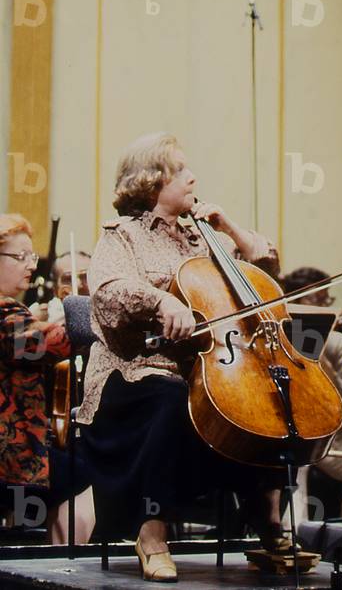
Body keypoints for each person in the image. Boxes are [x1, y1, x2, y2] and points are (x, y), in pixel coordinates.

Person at [77, 133, 292, 582]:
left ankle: (267, 521)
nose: (193, 176)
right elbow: (108, 292)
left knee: (265, 398)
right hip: (134, 370)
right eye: (179, 171)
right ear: (152, 182)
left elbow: (266, 272)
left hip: (204, 366)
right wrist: (162, 302)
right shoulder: (123, 237)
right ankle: (151, 532)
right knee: (171, 400)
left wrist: (230, 228)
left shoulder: (207, 238)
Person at [0, 214, 93, 545]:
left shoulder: (14, 309)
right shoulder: (5, 311)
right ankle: (64, 566)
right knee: (84, 475)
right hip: (11, 456)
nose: (30, 265)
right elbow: (34, 343)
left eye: (31, 256)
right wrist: (85, 319)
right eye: (19, 256)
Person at [279, 267, 342, 523]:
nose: (325, 306)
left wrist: (321, 355)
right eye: (317, 300)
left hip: (332, 438)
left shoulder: (338, 343)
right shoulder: (278, 340)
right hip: (289, 434)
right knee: (296, 470)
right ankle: (294, 543)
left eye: (327, 299)